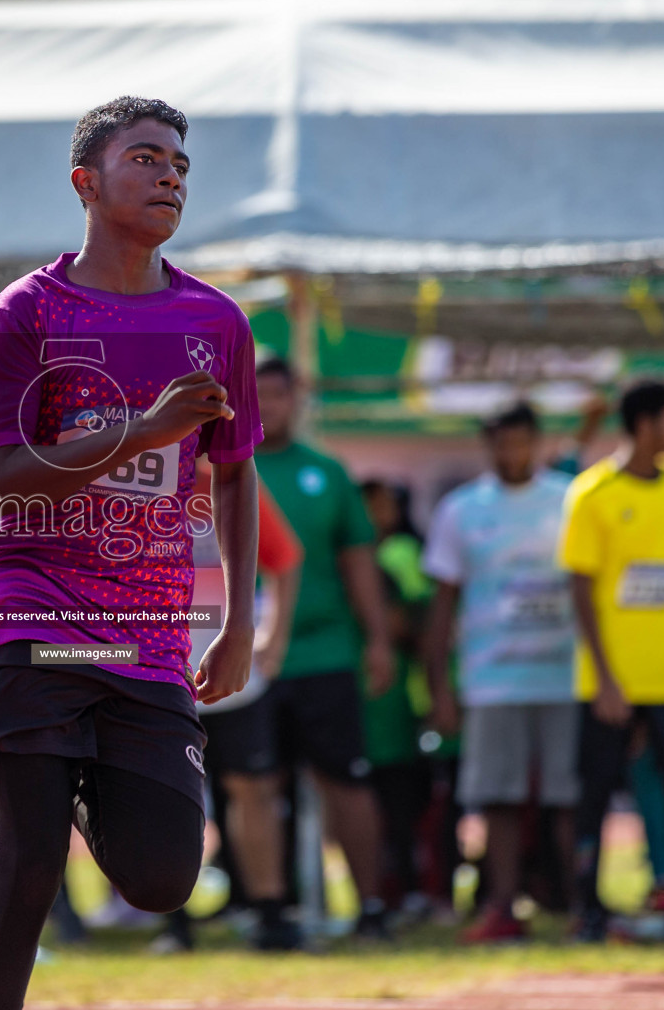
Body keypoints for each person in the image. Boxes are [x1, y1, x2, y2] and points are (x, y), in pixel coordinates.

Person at [0, 97, 262, 1010]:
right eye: (147, 159)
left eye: (181, 167)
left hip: (137, 631)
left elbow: (233, 475)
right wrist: (143, 430)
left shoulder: (217, 321)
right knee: (28, 860)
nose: (170, 178)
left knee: (161, 880)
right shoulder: (26, 313)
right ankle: (20, 761)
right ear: (87, 181)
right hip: (24, 605)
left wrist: (236, 623)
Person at [559, 380, 664, 945]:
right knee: (595, 794)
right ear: (645, 424)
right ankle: (589, 912)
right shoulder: (591, 493)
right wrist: (605, 678)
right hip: (610, 679)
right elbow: (581, 588)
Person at [422, 402, 579, 944]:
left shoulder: (570, 500)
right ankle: (503, 907)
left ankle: (583, 909)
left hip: (566, 676)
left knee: (569, 795)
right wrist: (439, 686)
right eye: (500, 443)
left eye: (521, 442)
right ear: (488, 446)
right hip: (492, 680)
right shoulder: (461, 510)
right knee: (498, 797)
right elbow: (443, 604)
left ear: (538, 442)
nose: (511, 453)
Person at [253, 355, 397, 940]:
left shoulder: (328, 473)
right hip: (249, 662)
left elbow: (358, 562)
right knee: (255, 786)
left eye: (278, 395)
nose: (268, 406)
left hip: (328, 654)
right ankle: (269, 912)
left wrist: (378, 640)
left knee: (346, 782)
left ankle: (370, 906)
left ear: (297, 398)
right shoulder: (221, 472)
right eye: (257, 395)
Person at [156, 463, 304, 953]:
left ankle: (270, 914)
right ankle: (173, 922)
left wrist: (275, 640)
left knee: (253, 791)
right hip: (156, 675)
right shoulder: (124, 484)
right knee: (165, 797)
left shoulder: (230, 481)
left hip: (234, 676)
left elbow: (284, 558)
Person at [359, 480, 433, 925]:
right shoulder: (355, 558)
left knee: (406, 807)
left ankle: (412, 891)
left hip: (401, 703)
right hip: (372, 707)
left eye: (383, 504)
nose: (377, 513)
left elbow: (415, 619)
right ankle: (389, 893)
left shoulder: (402, 553)